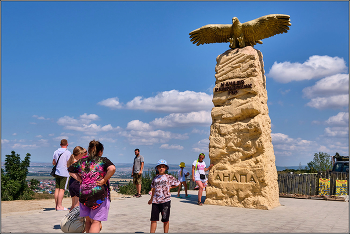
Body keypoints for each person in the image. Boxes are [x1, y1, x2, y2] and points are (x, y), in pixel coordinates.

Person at [68, 140, 116, 233]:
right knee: (96, 221)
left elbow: (70, 170)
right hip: (99, 194)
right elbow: (112, 168)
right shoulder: (103, 160)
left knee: (88, 221)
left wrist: (80, 179)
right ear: (100, 151)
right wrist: (104, 179)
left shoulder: (82, 161)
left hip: (84, 193)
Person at [148, 159, 180, 233]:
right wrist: (151, 199)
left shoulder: (169, 177)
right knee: (153, 220)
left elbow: (178, 183)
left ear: (165, 168)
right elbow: (153, 189)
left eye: (163, 167)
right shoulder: (155, 179)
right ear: (157, 168)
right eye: (159, 167)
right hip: (156, 201)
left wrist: (169, 187)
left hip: (165, 201)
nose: (161, 168)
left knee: (165, 220)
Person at [52, 139, 72, 211]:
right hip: (64, 172)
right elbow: (69, 163)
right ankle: (59, 206)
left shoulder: (56, 152)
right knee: (62, 189)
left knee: (57, 188)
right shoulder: (68, 153)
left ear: (60, 144)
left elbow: (54, 162)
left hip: (57, 172)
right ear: (67, 144)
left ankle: (56, 205)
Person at [66, 146, 85, 211]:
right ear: (80, 154)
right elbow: (76, 173)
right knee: (77, 204)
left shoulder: (71, 161)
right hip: (76, 183)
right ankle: (76, 220)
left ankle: (70, 219)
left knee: (73, 205)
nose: (83, 155)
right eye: (83, 154)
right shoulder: (77, 163)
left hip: (71, 182)